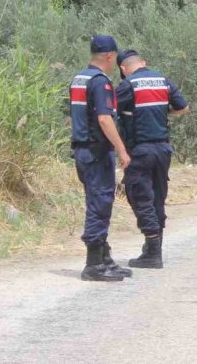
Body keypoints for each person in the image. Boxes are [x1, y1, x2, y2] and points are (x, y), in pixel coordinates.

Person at [116, 50, 189, 269]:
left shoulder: (128, 85)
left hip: (140, 151)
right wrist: (163, 114)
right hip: (163, 150)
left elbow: (108, 111)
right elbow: (184, 108)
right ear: (144, 63)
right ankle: (153, 249)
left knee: (139, 197)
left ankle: (153, 251)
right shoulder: (163, 80)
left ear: (123, 69)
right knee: (157, 198)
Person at [69, 34, 131, 282]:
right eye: (115, 57)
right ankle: (93, 264)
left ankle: (104, 257)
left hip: (83, 150)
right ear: (109, 56)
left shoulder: (79, 78)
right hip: (96, 152)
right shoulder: (100, 82)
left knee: (100, 202)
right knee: (99, 204)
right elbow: (105, 119)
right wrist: (122, 150)